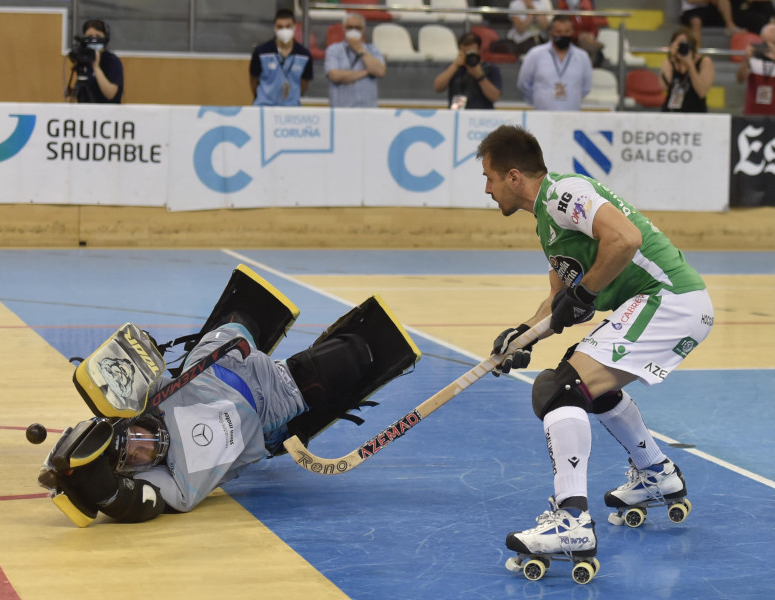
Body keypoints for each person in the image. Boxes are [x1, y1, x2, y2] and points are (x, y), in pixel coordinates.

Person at [476, 124, 713, 577]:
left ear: (512, 176)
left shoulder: (563, 193)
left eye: (488, 178)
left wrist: (584, 292)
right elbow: (560, 304)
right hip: (668, 305)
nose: (485, 190)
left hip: (669, 300)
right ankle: (655, 474)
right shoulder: (547, 225)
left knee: (557, 390)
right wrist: (521, 337)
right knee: (589, 387)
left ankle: (572, 521)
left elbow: (624, 240)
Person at [39, 266, 420, 525]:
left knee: (244, 317)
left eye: (137, 435)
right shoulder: (173, 481)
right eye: (139, 453)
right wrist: (101, 494)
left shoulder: (148, 403)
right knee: (354, 355)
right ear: (137, 469)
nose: (146, 444)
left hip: (216, 359)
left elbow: (134, 362)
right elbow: (138, 503)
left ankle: (242, 331)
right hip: (272, 396)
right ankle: (314, 371)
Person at [517, 15, 593, 111]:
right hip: (542, 114)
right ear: (551, 33)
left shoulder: (582, 56)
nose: (563, 35)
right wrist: (539, 99)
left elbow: (586, 88)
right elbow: (523, 84)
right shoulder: (535, 54)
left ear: (572, 32)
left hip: (572, 114)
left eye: (567, 32)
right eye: (559, 32)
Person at [249, 9, 313, 106]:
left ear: (294, 27)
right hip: (264, 106)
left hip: (291, 107)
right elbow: (253, 80)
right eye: (280, 27)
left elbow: (304, 83)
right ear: (274, 28)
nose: (284, 30)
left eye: (288, 26)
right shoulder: (261, 52)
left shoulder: (304, 55)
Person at [324, 13, 386, 108]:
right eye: (350, 27)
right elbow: (334, 75)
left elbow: (380, 71)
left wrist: (360, 50)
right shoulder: (334, 50)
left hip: (368, 111)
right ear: (343, 28)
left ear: (363, 30)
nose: (354, 31)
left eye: (358, 28)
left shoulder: (373, 50)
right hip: (341, 111)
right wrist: (366, 72)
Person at [433, 32, 502, 109]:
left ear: (479, 50)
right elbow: (437, 87)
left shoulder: (490, 68)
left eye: (472, 52)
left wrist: (480, 76)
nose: (468, 56)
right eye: (465, 52)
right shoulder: (456, 68)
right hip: (458, 112)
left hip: (481, 114)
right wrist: (455, 65)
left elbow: (495, 97)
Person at [67, 19, 123, 104]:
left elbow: (110, 95)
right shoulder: (84, 60)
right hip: (86, 113)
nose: (94, 40)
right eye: (89, 37)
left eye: (98, 36)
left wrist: (96, 67)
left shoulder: (112, 61)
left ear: (105, 38)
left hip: (107, 114)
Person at [660, 27, 714, 113]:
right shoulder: (670, 61)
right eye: (679, 45)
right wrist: (671, 59)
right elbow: (663, 87)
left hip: (695, 112)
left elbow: (701, 92)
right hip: (672, 112)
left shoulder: (704, 62)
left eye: (684, 45)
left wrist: (690, 65)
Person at [736, 22, 775, 115]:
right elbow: (740, 79)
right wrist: (746, 60)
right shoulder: (753, 56)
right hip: (753, 112)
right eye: (765, 44)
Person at [557, 0, 606, 67]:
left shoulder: (585, 12)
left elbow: (594, 28)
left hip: (587, 42)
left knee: (598, 55)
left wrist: (590, 36)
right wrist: (580, 36)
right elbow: (564, 31)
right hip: (573, 43)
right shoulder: (563, 13)